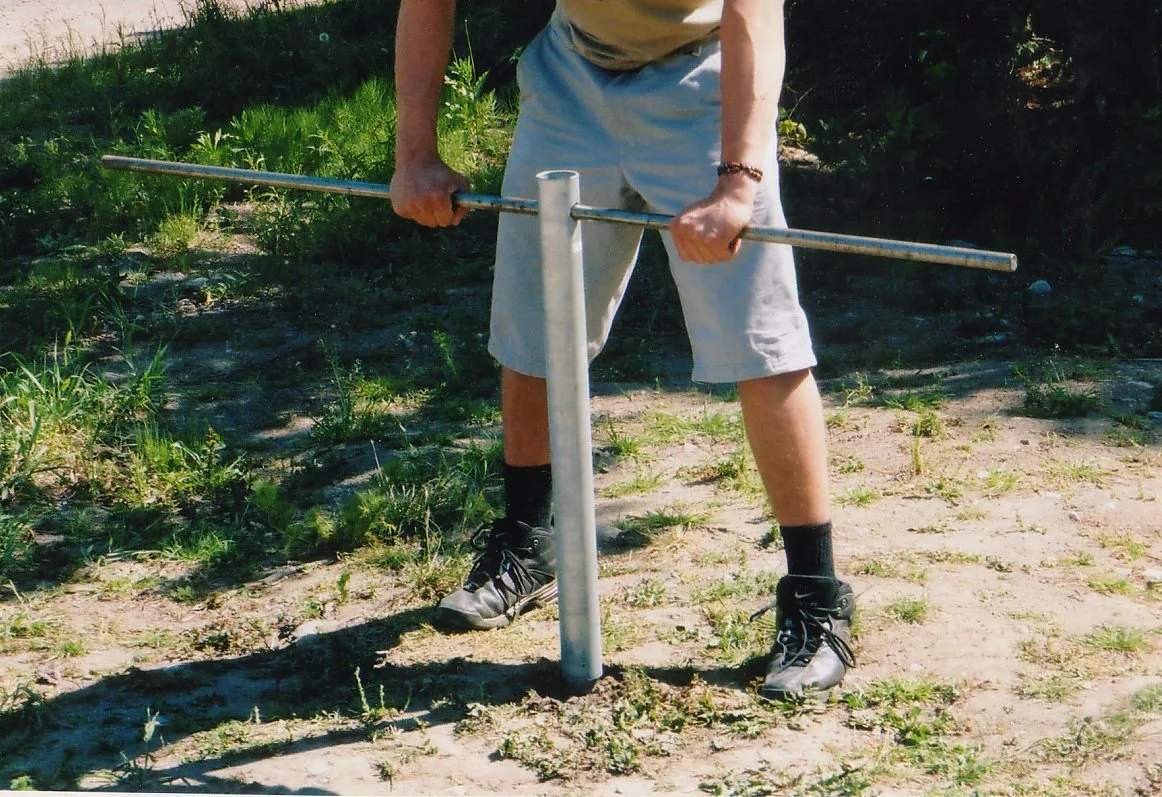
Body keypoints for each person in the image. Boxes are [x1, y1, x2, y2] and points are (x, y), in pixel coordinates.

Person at [390, 0, 855, 698]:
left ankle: (818, 603)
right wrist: (414, 154)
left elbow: (753, 11)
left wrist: (737, 182)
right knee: (535, 323)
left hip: (705, 77)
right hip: (571, 75)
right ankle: (525, 540)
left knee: (760, 337)